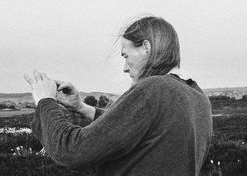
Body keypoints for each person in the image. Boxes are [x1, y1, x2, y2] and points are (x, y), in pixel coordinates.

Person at [24, 15, 213, 176]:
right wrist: (81, 108)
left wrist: (45, 101)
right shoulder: (198, 98)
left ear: (146, 47)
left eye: (126, 56)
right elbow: (141, 130)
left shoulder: (154, 88)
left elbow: (72, 152)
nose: (124, 68)